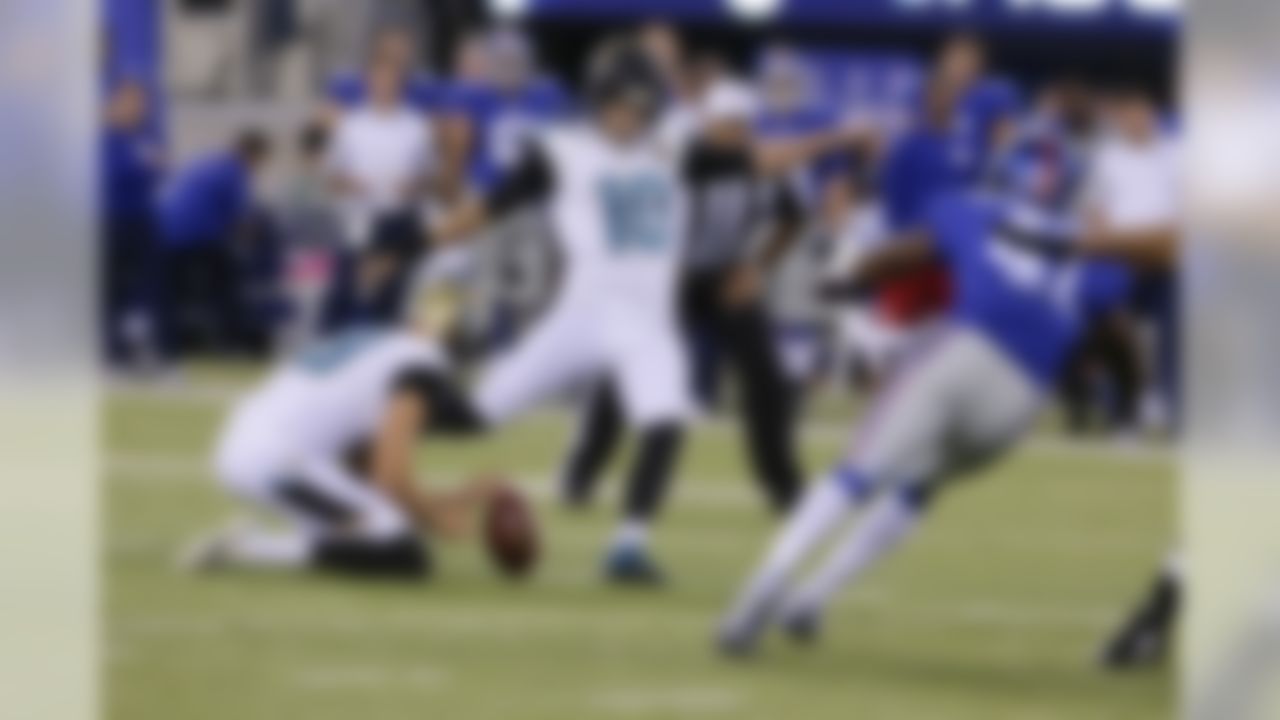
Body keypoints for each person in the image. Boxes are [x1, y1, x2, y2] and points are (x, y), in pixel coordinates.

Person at [716, 130, 1134, 656]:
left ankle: (765, 585)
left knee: (859, 471)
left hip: (963, 352)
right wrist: (1130, 405)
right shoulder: (1095, 248)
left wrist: (849, 278)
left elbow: (906, 254)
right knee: (920, 485)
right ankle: (814, 598)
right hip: (1021, 400)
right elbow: (1115, 332)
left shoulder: (975, 208)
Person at [430, 38, 690, 585]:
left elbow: (750, 156)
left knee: (665, 419)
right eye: (623, 103)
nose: (632, 116)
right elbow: (493, 205)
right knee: (477, 416)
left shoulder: (673, 148)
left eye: (642, 106)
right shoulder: (563, 149)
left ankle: (629, 545)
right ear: (598, 101)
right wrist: (426, 236)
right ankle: (363, 441)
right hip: (583, 313)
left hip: (647, 323)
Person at [558, 78, 810, 515]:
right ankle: (581, 471)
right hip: (670, 278)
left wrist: (756, 267)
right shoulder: (687, 158)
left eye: (743, 123)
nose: (736, 132)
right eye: (728, 123)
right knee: (626, 373)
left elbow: (793, 217)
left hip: (723, 277)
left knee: (766, 378)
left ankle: (784, 487)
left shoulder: (758, 164)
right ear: (708, 123)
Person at [184, 291, 492, 580]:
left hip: (257, 445)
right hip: (276, 461)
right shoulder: (421, 364)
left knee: (382, 528)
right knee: (397, 547)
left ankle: (268, 542)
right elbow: (390, 477)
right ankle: (253, 548)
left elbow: (365, 470)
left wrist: (450, 500)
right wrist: (437, 519)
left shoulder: (381, 344)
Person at [320, 57, 436, 331]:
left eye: (391, 80)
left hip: (399, 216)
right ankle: (334, 339)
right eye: (379, 79)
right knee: (348, 284)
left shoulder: (416, 126)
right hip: (361, 216)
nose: (385, 85)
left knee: (393, 289)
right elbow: (331, 175)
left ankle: (383, 345)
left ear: (401, 84)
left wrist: (414, 185)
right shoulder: (352, 125)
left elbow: (431, 176)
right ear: (369, 83)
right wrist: (350, 183)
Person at [158, 128, 272, 357]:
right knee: (227, 287)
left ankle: (169, 341)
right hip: (197, 237)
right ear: (254, 155)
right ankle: (232, 342)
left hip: (167, 234)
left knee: (174, 292)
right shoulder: (234, 172)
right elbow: (242, 220)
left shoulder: (208, 163)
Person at [101, 79, 163, 369]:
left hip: (141, 217)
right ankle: (109, 349)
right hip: (112, 217)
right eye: (130, 101)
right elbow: (119, 173)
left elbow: (156, 171)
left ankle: (131, 347)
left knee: (138, 288)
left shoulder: (143, 136)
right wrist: (147, 166)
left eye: (141, 102)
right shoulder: (106, 137)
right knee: (111, 286)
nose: (137, 108)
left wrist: (150, 166)